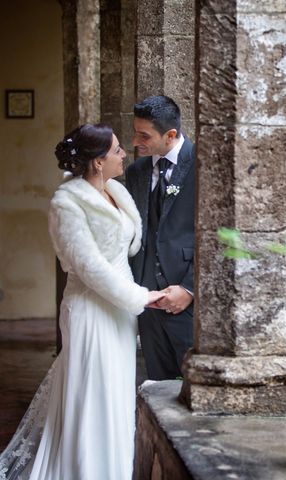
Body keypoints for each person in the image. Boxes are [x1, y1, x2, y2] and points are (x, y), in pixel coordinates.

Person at [0, 124, 165, 480]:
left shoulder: (116, 191)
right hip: (91, 309)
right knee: (93, 396)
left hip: (120, 312)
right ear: (97, 162)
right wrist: (141, 296)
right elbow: (89, 266)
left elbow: (128, 246)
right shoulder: (66, 204)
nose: (124, 155)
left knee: (117, 394)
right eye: (117, 150)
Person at [126, 95, 195, 381]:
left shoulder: (204, 165)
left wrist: (190, 290)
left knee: (197, 387)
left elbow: (220, 237)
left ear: (170, 135)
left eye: (144, 135)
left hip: (189, 303)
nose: (134, 142)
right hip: (147, 302)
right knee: (157, 386)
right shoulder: (136, 171)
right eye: (135, 132)